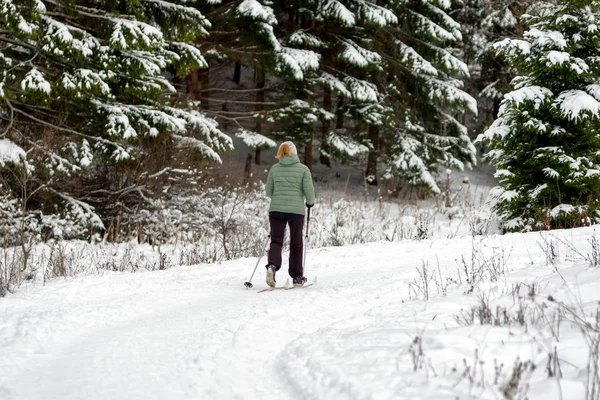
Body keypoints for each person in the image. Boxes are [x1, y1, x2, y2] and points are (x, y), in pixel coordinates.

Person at [264, 141, 315, 287]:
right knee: (296, 243)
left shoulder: (274, 168)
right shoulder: (303, 169)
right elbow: (309, 191)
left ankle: (272, 266)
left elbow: (269, 192)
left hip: (276, 210)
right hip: (296, 211)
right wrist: (310, 202)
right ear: (295, 153)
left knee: (276, 241)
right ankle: (297, 276)